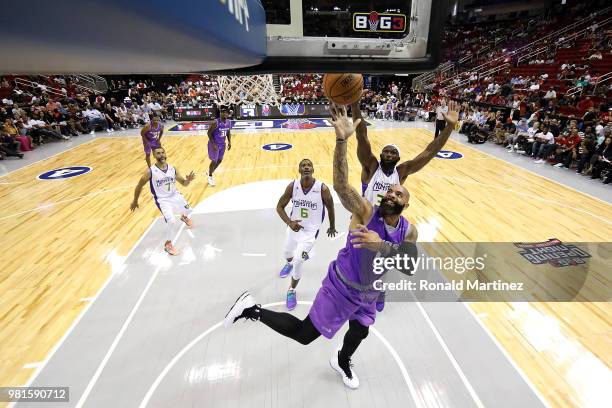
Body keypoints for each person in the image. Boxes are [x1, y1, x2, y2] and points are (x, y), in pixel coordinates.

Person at [224, 104, 418, 389]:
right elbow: (340, 186)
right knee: (304, 334)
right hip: (342, 288)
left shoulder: (409, 230)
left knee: (360, 331)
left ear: (405, 203)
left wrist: (384, 248)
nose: (391, 192)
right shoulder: (366, 212)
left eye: (397, 192)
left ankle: (341, 360)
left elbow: (410, 267)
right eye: (389, 190)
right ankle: (251, 309)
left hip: (368, 293)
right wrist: (342, 140)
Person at [350, 98, 458, 311]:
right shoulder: (371, 166)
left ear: (398, 158)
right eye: (386, 151)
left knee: (384, 261)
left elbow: (429, 152)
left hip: (389, 222)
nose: (388, 154)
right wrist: (354, 104)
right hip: (367, 219)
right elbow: (362, 136)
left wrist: (449, 128)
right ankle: (358, 287)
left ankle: (379, 289)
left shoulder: (401, 172)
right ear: (380, 155)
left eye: (393, 153)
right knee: (360, 260)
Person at [276, 159, 337, 310]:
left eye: (309, 165)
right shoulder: (293, 186)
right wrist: (290, 223)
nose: (306, 167)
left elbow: (330, 207)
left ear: (313, 169)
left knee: (298, 260)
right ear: (299, 170)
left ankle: (291, 290)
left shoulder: (322, 189)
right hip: (293, 228)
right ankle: (288, 263)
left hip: (310, 233)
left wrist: (332, 226)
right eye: (303, 165)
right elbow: (279, 207)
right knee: (287, 254)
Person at [130, 147, 195, 255]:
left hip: (175, 195)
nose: (161, 155)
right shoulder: (150, 172)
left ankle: (184, 216)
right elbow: (139, 186)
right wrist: (135, 201)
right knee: (171, 221)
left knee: (190, 211)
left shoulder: (172, 168)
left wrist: (188, 180)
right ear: (154, 156)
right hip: (162, 200)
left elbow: (184, 184)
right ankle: (168, 245)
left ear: (165, 154)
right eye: (158, 153)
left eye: (162, 152)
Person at [206, 106, 232, 186]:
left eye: (225, 112)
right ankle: (210, 177)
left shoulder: (228, 122)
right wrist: (213, 144)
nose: (223, 113)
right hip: (214, 143)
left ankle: (209, 172)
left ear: (228, 114)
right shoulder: (215, 122)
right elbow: (209, 133)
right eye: (221, 112)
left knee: (219, 160)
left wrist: (229, 141)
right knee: (214, 160)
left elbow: (228, 132)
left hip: (222, 144)